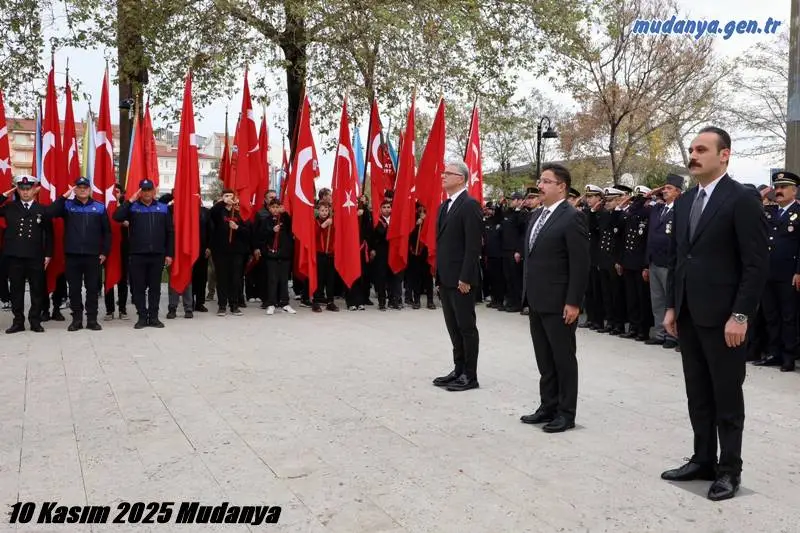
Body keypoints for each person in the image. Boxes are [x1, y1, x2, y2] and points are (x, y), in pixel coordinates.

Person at [661, 126, 768, 501]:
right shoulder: (686, 201)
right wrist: (672, 306)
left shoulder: (741, 199)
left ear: (725, 155)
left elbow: (755, 264)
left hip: (725, 319)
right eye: (692, 149)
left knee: (727, 396)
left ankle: (729, 470)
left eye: (702, 149)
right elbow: (677, 258)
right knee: (698, 393)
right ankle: (703, 459)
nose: (693, 155)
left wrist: (741, 315)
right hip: (689, 313)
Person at [519, 163, 590, 433]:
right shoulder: (537, 215)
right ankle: (547, 405)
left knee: (563, 359)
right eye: (541, 180)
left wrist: (573, 302)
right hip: (537, 299)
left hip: (560, 302)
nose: (540, 185)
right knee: (544, 359)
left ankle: (565, 413)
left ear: (562, 186)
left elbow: (580, 264)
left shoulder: (572, 217)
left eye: (546, 181)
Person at [432, 160, 483, 392]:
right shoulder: (444, 206)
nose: (443, 176)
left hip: (462, 280)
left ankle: (470, 375)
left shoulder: (470, 205)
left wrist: (466, 277)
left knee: (466, 327)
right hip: (446, 277)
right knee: (453, 327)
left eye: (448, 173)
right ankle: (458, 368)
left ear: (461, 178)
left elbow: (473, 246)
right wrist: (438, 276)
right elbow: (443, 245)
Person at [47, 177, 111, 331]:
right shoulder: (67, 206)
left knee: (92, 289)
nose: (82, 190)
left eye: (85, 187)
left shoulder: (99, 207)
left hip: (93, 256)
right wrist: (64, 196)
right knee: (74, 289)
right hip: (72, 255)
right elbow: (49, 213)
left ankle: (92, 320)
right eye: (79, 187)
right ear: (75, 190)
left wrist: (104, 252)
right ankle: (76, 319)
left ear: (90, 189)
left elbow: (107, 232)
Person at [753, 171, 800, 372]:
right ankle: (774, 353)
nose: (779, 191)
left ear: (794, 190)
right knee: (770, 315)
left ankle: (789, 356)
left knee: (788, 317)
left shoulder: (798, 212)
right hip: (767, 272)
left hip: (789, 274)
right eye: (777, 187)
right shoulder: (769, 212)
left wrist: (799, 271)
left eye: (783, 187)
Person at [112, 179, 175, 329]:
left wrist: (169, 254)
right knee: (138, 288)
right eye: (143, 190)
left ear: (153, 191)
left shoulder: (163, 208)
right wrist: (130, 200)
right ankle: (141, 317)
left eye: (149, 190)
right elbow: (117, 217)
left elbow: (170, 232)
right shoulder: (133, 207)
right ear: (140, 192)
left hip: (157, 254)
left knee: (155, 288)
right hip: (137, 254)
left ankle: (153, 317)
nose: (146, 193)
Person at [0, 176, 53, 333]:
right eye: (22, 189)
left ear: (34, 190)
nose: (25, 192)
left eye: (28, 189)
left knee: (37, 289)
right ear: (17, 190)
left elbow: (49, 234)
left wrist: (48, 254)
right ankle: (18, 321)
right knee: (16, 290)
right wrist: (4, 195)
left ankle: (35, 321)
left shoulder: (42, 209)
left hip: (35, 255)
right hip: (14, 255)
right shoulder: (10, 207)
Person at [644, 174, 683, 349]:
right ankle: (660, 333)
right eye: (664, 188)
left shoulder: (681, 210)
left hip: (669, 263)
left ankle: (673, 336)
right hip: (654, 261)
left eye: (669, 188)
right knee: (657, 300)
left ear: (678, 192)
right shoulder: (658, 209)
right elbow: (641, 204)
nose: (665, 191)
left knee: (671, 301)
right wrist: (655, 191)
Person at [208, 189, 250, 316]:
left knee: (235, 279)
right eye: (226, 196)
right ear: (222, 197)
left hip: (236, 252)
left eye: (231, 196)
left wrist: (237, 228)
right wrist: (222, 203)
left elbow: (248, 232)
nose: (229, 198)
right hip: (220, 251)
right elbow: (212, 214)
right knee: (222, 279)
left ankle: (234, 305)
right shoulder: (218, 211)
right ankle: (222, 305)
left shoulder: (239, 213)